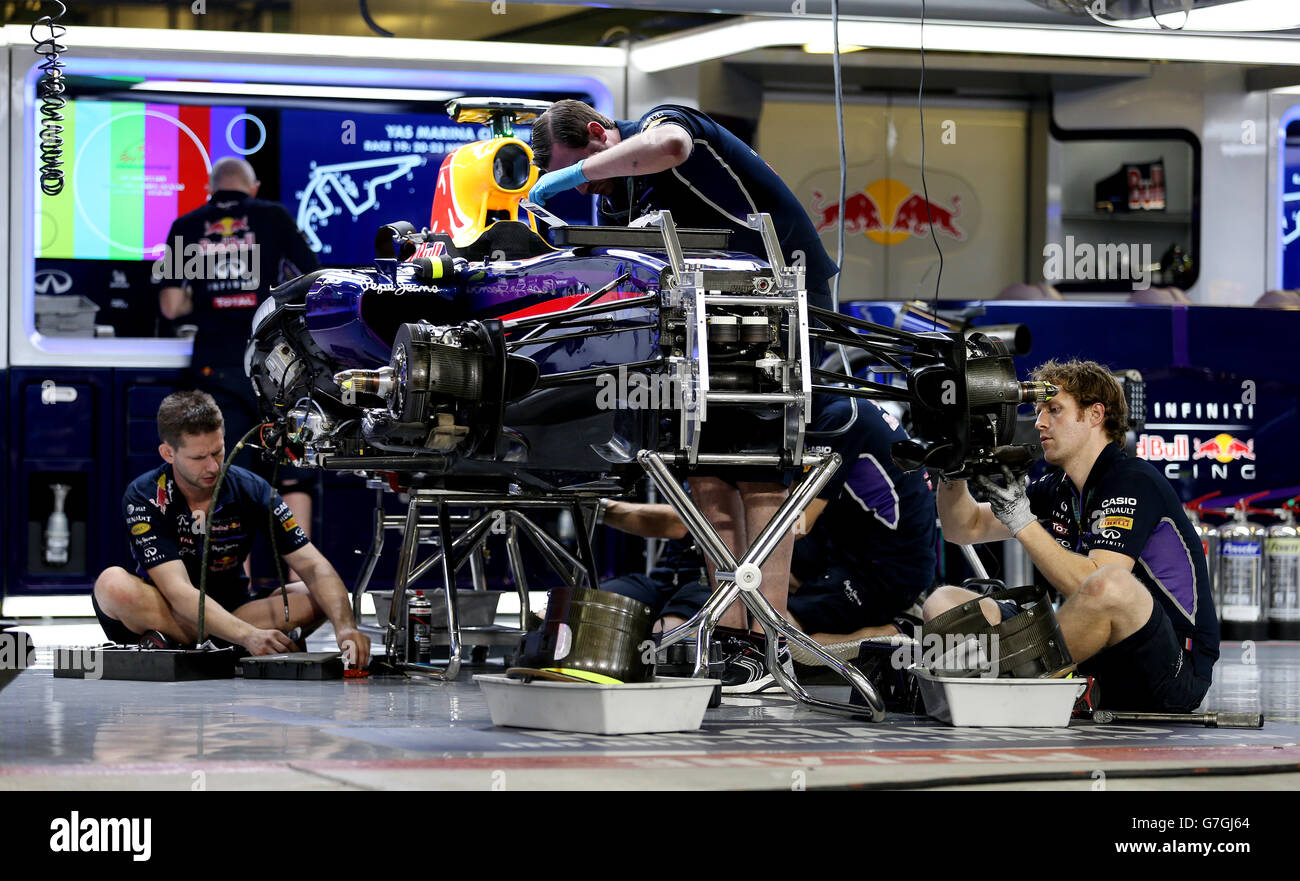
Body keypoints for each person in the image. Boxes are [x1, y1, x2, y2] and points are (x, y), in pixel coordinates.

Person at [528, 99, 842, 689]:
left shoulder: (663, 123)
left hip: (779, 305)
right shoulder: (631, 194)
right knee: (706, 479)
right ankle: (730, 643)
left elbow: (672, 148)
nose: (588, 180)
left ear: (600, 133)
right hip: (712, 320)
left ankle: (768, 645)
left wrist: (570, 176)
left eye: (585, 162)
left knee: (759, 473)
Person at [927, 359, 1218, 712]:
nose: (1039, 422)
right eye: (1038, 411)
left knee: (1110, 583)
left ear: (1095, 415)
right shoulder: (1059, 487)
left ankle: (1009, 683)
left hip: (1169, 671)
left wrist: (1022, 522)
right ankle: (1010, 679)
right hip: (1095, 660)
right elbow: (965, 527)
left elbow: (1094, 583)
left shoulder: (1133, 480)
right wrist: (952, 469)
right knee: (944, 602)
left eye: (1054, 409)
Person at [601, 395, 938, 692]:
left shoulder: (839, 420)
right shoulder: (835, 409)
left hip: (884, 569)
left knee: (780, 636)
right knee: (743, 608)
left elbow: (796, 524)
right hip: (853, 552)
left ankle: (896, 631)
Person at [92, 391, 370, 666]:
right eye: (199, 457)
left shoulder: (252, 488)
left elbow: (314, 566)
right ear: (168, 453)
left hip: (236, 609)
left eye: (218, 451)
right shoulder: (145, 494)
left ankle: (180, 643)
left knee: (318, 596)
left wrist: (346, 627)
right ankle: (231, 643)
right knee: (112, 584)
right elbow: (178, 591)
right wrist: (248, 636)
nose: (213, 466)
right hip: (166, 607)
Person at [157, 156, 321, 538]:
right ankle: (300, 582)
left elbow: (170, 306)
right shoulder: (274, 216)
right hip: (276, 368)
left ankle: (233, 585)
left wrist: (206, 299)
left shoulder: (185, 225)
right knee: (292, 474)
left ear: (209, 190)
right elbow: (312, 282)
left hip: (217, 364)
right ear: (254, 188)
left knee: (222, 475)